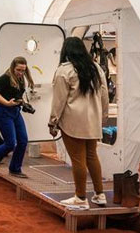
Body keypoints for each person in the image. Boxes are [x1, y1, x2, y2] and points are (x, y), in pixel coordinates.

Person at [49, 37, 109, 209]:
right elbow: (104, 95)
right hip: (93, 120)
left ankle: (81, 197)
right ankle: (100, 194)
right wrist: (102, 116)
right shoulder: (96, 68)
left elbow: (59, 100)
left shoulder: (64, 70)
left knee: (78, 160)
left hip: (73, 121)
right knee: (92, 156)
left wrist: (53, 121)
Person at [0, 56, 34, 180]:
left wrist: (24, 104)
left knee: (23, 140)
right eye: (19, 70)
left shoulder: (21, 80)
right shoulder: (5, 78)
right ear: (13, 67)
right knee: (10, 143)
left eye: (23, 70)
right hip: (2, 111)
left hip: (14, 111)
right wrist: (6, 103)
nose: (21, 73)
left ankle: (15, 168)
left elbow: (17, 96)